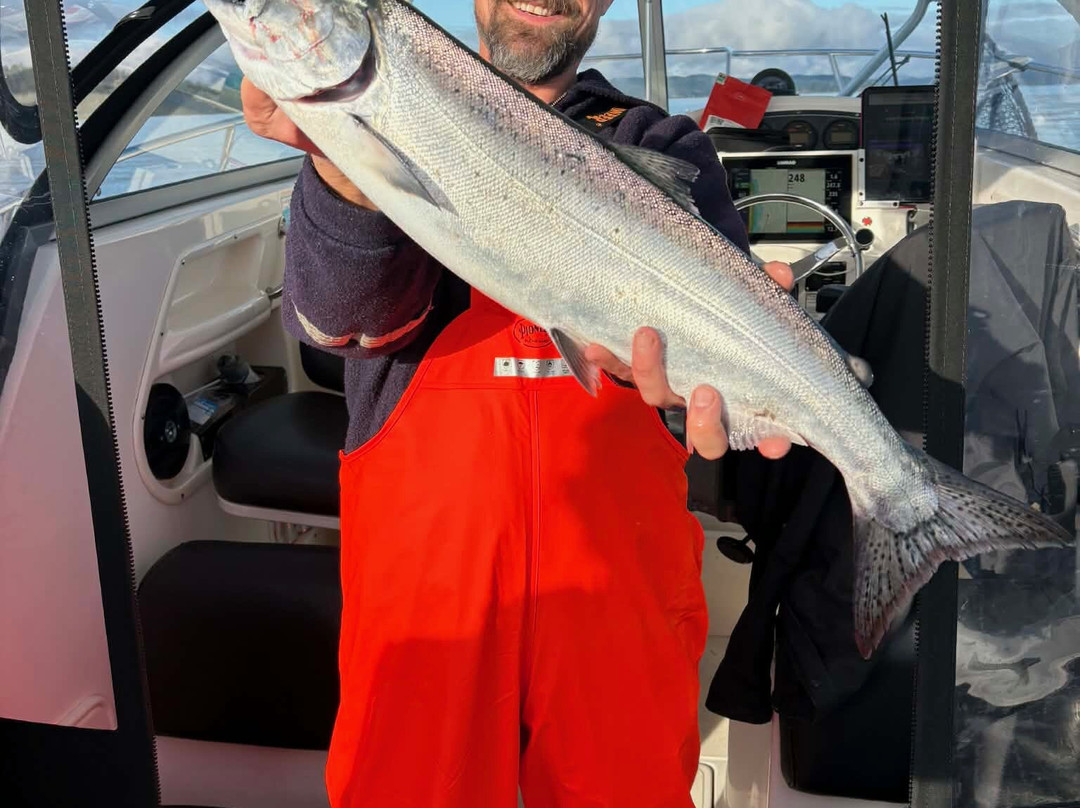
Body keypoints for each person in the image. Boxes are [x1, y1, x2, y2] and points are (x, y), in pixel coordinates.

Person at [243, 1, 794, 805]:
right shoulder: (386, 111)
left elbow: (699, 390)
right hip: (430, 593)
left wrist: (728, 393)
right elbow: (343, 323)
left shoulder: (663, 145)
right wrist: (337, 153)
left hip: (617, 586)